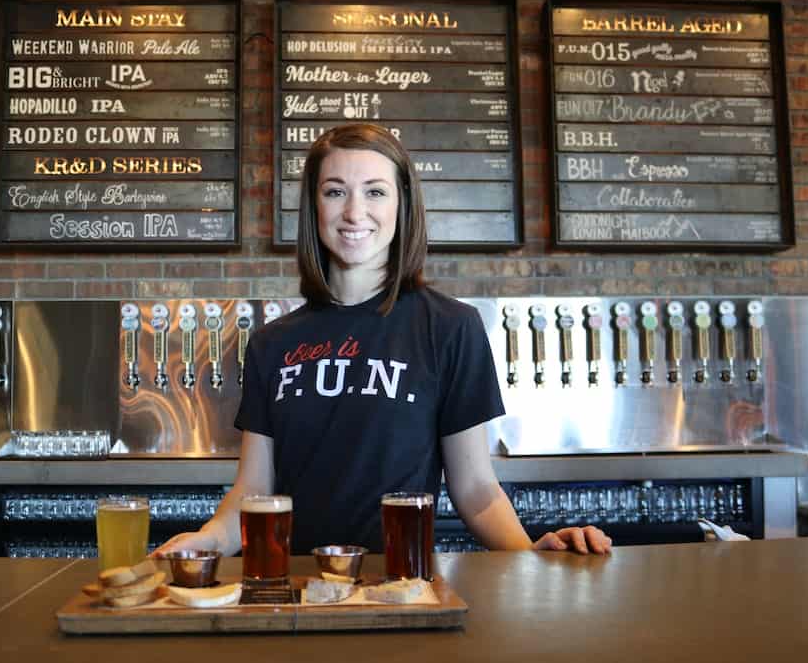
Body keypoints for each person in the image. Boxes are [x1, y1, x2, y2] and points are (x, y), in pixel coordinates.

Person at [154, 123, 611, 558]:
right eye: (335, 191)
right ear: (314, 206)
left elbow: (475, 489)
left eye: (375, 191)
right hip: (298, 588)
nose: (355, 212)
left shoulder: (451, 327)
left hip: (403, 584)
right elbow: (253, 491)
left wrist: (530, 552)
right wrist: (208, 539)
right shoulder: (272, 344)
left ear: (401, 204)